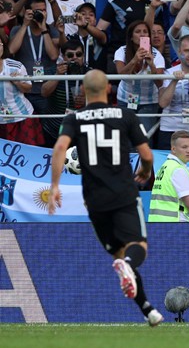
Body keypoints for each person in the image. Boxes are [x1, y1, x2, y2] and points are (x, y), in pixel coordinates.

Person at [47, 69, 164, 327]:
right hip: (123, 193)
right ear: (109, 89)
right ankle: (129, 267)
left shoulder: (75, 118)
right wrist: (145, 172)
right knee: (137, 248)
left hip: (94, 200)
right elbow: (146, 155)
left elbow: (59, 148)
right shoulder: (125, 115)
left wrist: (55, 185)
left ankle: (148, 310)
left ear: (83, 91)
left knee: (120, 256)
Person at [149, 130, 189, 222]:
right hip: (176, 226)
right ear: (173, 149)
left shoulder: (165, 167)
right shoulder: (177, 170)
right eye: (184, 147)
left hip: (158, 224)